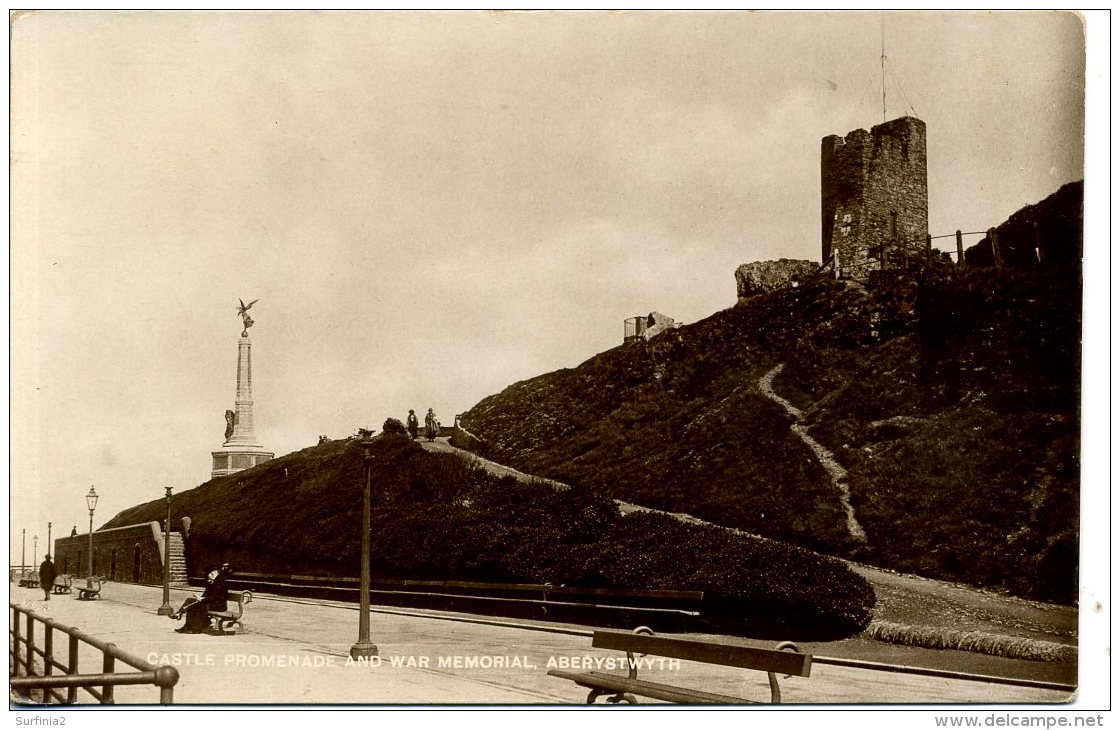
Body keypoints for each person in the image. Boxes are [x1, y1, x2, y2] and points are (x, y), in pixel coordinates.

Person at [172, 563, 232, 634]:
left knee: (196, 606)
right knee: (190, 600)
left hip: (218, 606)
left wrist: (202, 599)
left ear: (215, 573)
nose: (209, 576)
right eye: (209, 574)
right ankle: (186, 624)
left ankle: (193, 627)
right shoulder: (213, 582)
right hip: (212, 603)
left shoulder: (220, 582)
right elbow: (207, 595)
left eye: (210, 574)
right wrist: (200, 597)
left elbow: (214, 598)